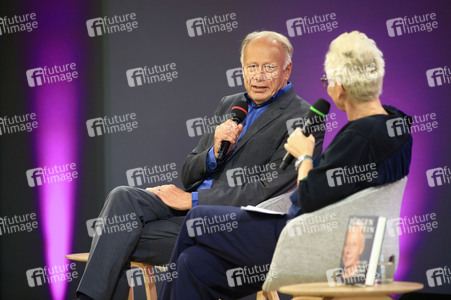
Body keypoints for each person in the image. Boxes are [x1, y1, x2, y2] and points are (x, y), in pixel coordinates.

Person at [159, 31, 413, 300]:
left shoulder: (357, 137)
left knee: (197, 219)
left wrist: (304, 156)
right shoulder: (396, 126)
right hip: (339, 244)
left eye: (327, 81)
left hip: (305, 242)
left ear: (340, 86)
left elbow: (306, 202)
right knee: (194, 263)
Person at [76, 31, 324, 300]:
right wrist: (213, 154)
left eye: (269, 67)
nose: (259, 76)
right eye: (252, 67)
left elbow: (265, 189)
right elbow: (188, 173)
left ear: (287, 70)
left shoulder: (302, 117)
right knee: (122, 197)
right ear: (242, 68)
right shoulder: (231, 104)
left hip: (227, 224)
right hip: (187, 210)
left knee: (116, 235)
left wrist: (193, 200)